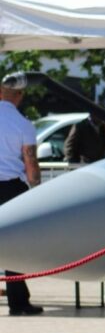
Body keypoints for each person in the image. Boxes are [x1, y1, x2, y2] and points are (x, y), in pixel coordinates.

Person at [0, 72, 43, 315]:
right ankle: (18, 302)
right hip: (10, 187)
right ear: (20, 96)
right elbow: (31, 164)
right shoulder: (23, 124)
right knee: (14, 244)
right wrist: (35, 189)